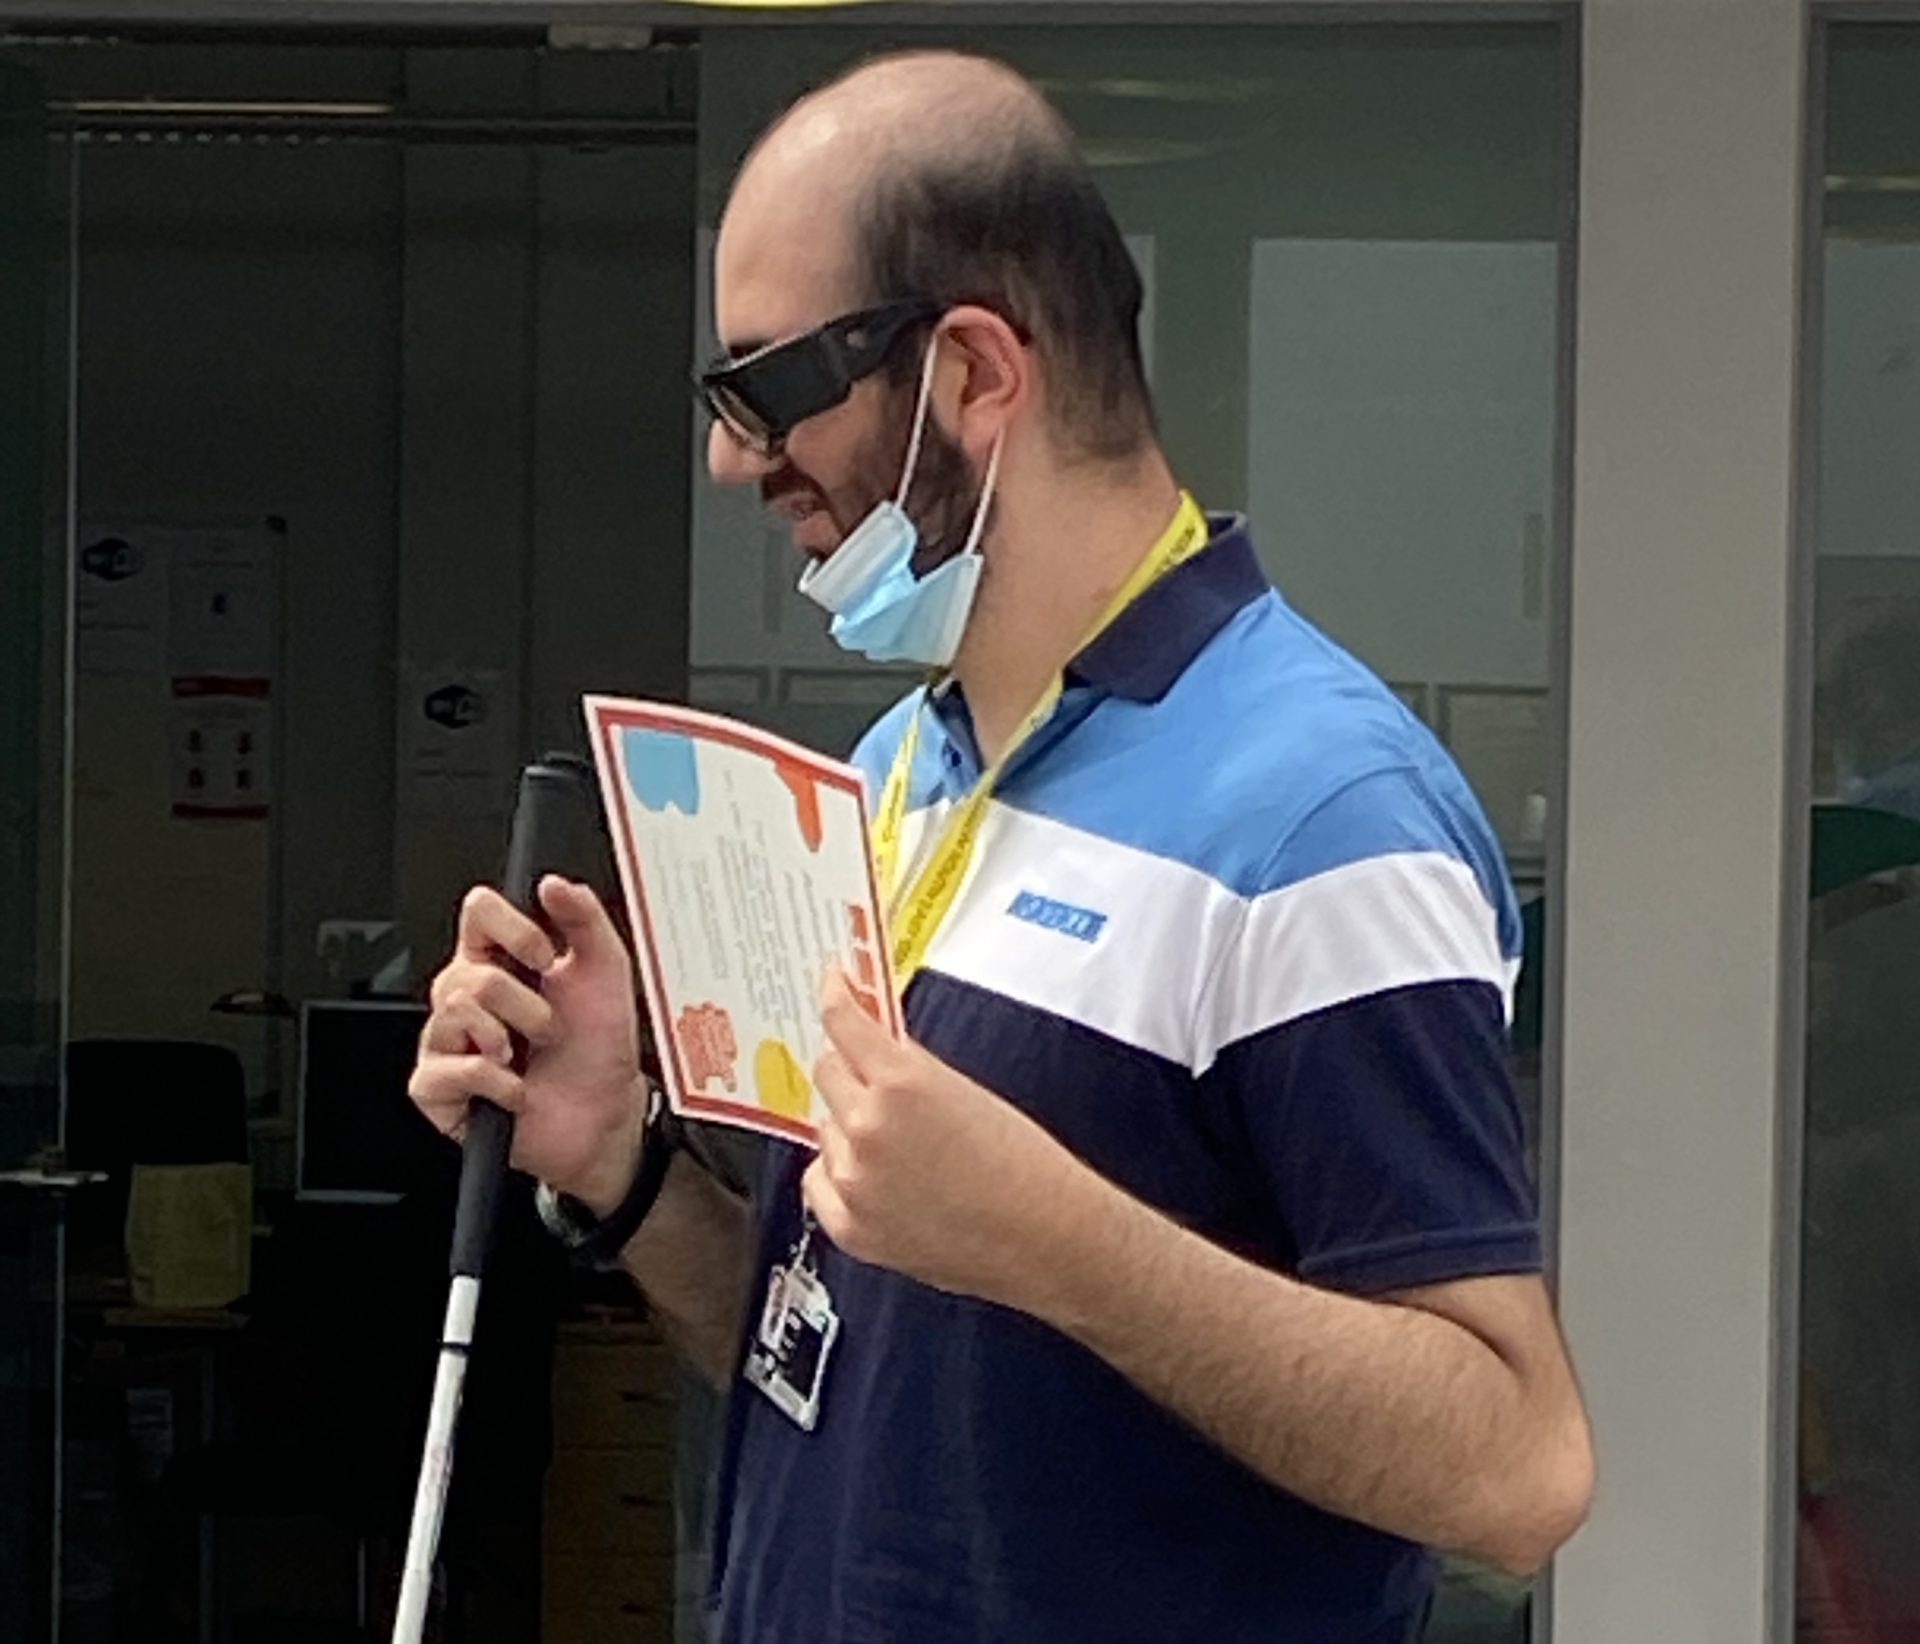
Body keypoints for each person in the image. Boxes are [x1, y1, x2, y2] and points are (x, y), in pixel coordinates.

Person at [409, 49, 1594, 1644]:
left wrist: (1057, 1238)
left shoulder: (1323, 817)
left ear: (972, 371)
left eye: (765, 389)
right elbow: (842, 1364)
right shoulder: (903, 772)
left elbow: (1516, 1465)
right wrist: (621, 1163)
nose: (733, 462)